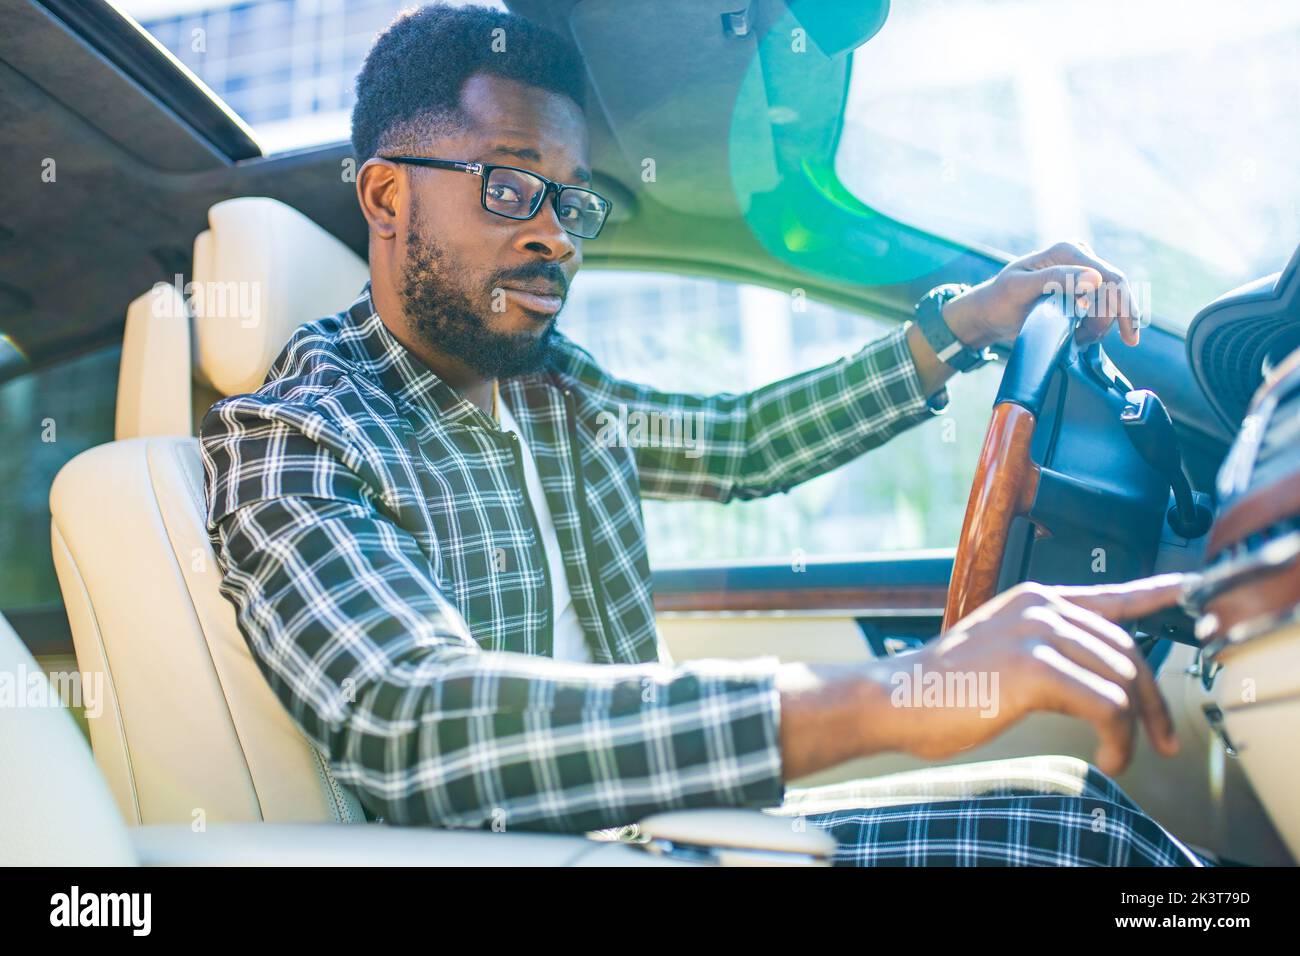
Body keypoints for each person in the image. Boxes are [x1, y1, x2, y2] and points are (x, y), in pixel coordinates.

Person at [200, 3, 1201, 865]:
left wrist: (957, 328)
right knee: (1080, 846)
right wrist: (896, 689)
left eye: (572, 201)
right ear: (385, 194)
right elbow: (416, 721)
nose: (555, 234)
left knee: (1074, 813)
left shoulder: (552, 390)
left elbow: (740, 444)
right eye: (507, 186)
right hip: (539, 852)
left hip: (662, 825)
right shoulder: (294, 437)